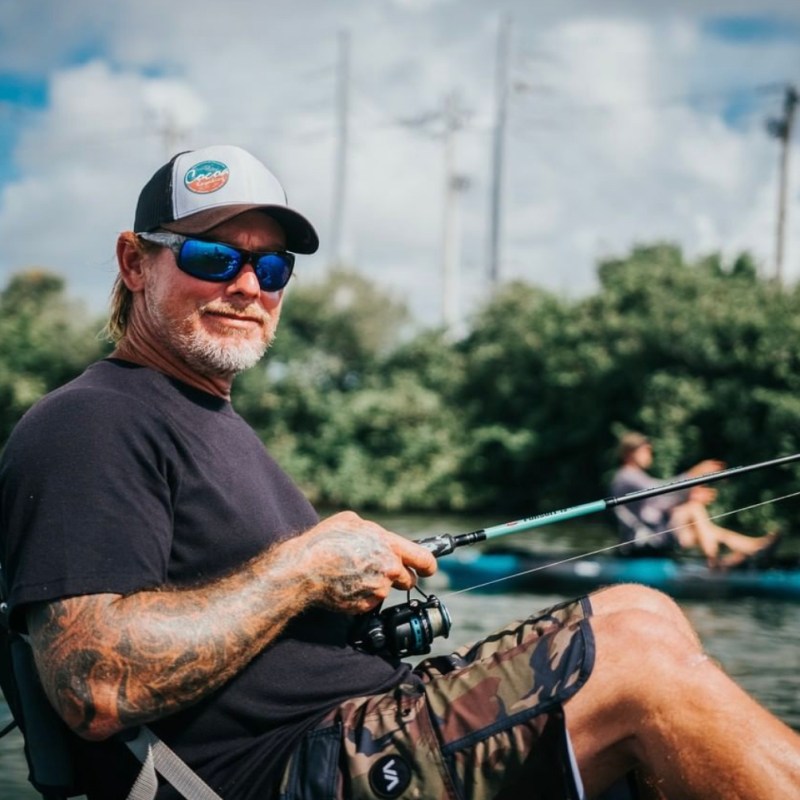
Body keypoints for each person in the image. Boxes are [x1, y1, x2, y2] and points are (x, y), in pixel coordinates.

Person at [1, 145, 798, 800]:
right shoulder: (88, 421)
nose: (246, 286)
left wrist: (335, 583)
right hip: (277, 774)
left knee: (638, 611)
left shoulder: (210, 421)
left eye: (271, 268)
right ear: (135, 264)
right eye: (213, 257)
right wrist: (305, 567)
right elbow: (93, 685)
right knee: (638, 667)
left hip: (360, 721)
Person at [610, 431, 779, 568]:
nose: (649, 454)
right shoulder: (626, 477)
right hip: (642, 543)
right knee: (693, 509)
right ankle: (716, 562)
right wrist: (693, 474)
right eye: (645, 450)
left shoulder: (634, 477)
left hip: (656, 536)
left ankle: (750, 549)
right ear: (629, 453)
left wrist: (689, 495)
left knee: (706, 528)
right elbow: (659, 491)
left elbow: (658, 505)